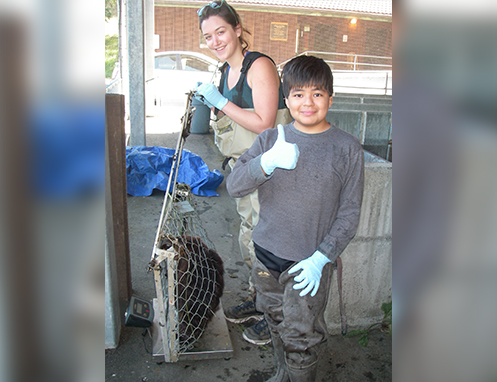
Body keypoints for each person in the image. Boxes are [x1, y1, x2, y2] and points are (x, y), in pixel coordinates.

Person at [226, 55, 364, 381]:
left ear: (331, 97)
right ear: (286, 99)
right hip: (265, 257)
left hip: (308, 265)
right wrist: (266, 163)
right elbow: (233, 185)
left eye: (317, 93)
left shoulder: (347, 149)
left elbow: (350, 212)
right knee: (275, 323)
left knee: (302, 338)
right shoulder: (270, 140)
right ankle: (281, 375)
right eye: (298, 94)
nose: (308, 102)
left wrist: (322, 257)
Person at [195, 0, 292, 345]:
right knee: (250, 235)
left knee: (269, 241)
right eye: (208, 36)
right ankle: (258, 297)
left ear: (237, 29)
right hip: (243, 169)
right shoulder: (223, 72)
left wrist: (221, 103)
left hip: (268, 170)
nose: (215, 41)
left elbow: (264, 121)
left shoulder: (259, 66)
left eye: (221, 31)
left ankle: (275, 314)